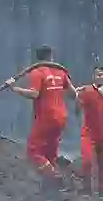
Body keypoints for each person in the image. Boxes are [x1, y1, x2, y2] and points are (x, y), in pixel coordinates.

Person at [6, 45, 72, 179]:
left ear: (36, 58)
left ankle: (53, 176)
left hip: (47, 117)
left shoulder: (37, 72)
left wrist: (14, 88)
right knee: (51, 151)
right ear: (51, 56)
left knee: (33, 151)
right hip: (62, 117)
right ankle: (49, 187)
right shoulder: (61, 72)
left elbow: (34, 94)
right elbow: (73, 93)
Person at [73, 63, 103, 192]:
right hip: (89, 132)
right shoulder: (86, 91)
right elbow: (77, 110)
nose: (102, 77)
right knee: (87, 161)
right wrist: (77, 98)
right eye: (99, 74)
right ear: (94, 76)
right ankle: (86, 188)